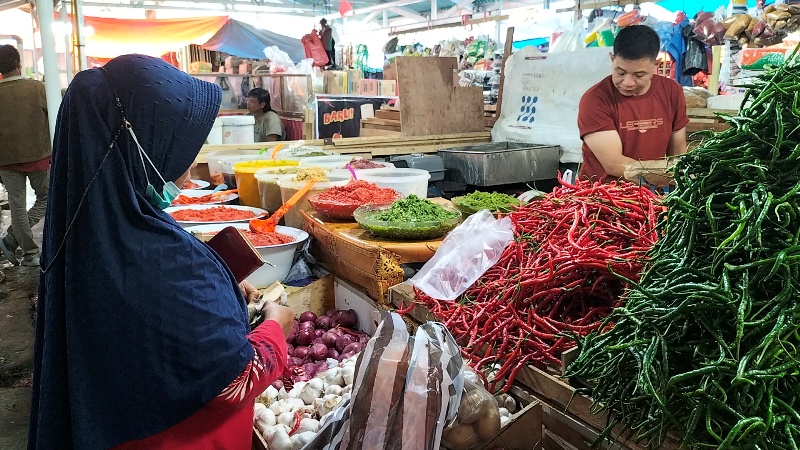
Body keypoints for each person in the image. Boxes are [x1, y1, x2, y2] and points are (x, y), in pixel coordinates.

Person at [28, 54, 295, 449]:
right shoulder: (161, 259)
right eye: (184, 148)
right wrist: (277, 327)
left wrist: (217, 289)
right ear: (142, 144)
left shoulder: (87, 227)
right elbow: (232, 382)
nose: (187, 174)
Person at [577, 25, 689, 184]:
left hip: (649, 196)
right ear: (611, 59)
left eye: (639, 75)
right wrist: (670, 172)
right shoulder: (595, 99)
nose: (628, 83)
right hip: (600, 197)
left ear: (655, 65)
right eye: (620, 72)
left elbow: (678, 154)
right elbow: (614, 164)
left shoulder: (672, 92)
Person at [0, 44, 51, 267]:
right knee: (47, 199)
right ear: (19, 64)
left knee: (17, 206)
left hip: (6, 159)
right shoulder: (38, 88)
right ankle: (12, 240)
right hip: (38, 155)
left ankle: (29, 252)